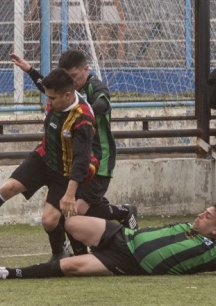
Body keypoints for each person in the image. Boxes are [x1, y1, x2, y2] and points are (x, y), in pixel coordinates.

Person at [0, 68, 100, 260]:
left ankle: (59, 254)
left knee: (49, 221)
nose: (48, 102)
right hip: (42, 158)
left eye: (52, 99)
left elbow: (82, 159)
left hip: (65, 171)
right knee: (8, 187)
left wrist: (70, 193)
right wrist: (29, 69)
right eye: (47, 97)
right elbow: (43, 84)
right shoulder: (57, 95)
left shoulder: (83, 118)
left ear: (67, 95)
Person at [10, 49, 137, 256]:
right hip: (76, 161)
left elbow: (104, 103)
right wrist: (31, 71)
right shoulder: (68, 94)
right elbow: (50, 89)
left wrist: (83, 113)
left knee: (75, 209)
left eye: (73, 76)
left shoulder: (94, 88)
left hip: (99, 161)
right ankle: (76, 251)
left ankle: (123, 212)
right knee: (67, 207)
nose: (70, 81)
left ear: (86, 70)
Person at [0, 202, 216, 280]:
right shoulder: (185, 225)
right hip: (122, 236)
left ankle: (11, 274)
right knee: (68, 220)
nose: (200, 215)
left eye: (207, 216)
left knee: (68, 267)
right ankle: (77, 245)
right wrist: (128, 222)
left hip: (127, 262)